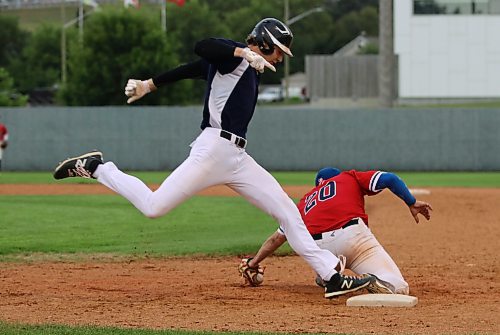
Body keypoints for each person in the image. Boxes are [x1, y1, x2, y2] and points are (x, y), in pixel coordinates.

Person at [52, 18, 377, 298]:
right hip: (212, 149)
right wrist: (242, 52)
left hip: (237, 156)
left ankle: (332, 278)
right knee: (154, 207)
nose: (280, 57)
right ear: (264, 42)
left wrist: (151, 84)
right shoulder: (234, 56)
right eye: (278, 50)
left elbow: (193, 69)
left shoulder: (245, 65)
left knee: (288, 212)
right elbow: (202, 46)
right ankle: (97, 168)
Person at [243, 167, 433, 295]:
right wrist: (411, 201)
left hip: (319, 248)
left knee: (318, 255)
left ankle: (329, 272)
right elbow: (390, 178)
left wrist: (253, 262)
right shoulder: (348, 177)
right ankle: (371, 280)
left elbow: (276, 239)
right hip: (353, 239)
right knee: (399, 288)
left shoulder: (304, 202)